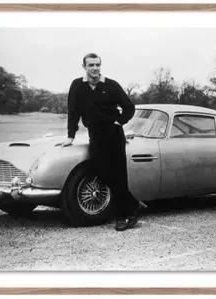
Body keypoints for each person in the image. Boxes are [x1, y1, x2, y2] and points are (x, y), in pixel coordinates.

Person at [62, 53, 145, 231]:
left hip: (114, 133)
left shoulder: (111, 85)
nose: (95, 68)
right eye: (91, 65)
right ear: (84, 66)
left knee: (119, 175)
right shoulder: (77, 86)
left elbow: (129, 107)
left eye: (97, 65)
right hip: (96, 134)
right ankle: (133, 204)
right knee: (103, 172)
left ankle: (122, 216)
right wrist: (71, 136)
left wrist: (119, 122)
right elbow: (73, 111)